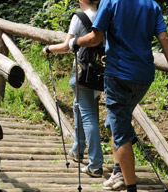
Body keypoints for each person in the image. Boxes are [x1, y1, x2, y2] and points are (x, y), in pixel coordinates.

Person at [69, 0, 168, 191]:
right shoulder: (152, 5)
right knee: (116, 120)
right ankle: (118, 172)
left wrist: (75, 41)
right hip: (144, 77)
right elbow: (164, 39)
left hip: (119, 75)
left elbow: (95, 38)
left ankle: (129, 186)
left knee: (120, 129)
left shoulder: (111, 1)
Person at [43, 0, 104, 178]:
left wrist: (48, 48)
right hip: (101, 71)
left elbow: (65, 46)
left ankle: (95, 164)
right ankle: (78, 149)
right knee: (79, 106)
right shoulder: (105, 15)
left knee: (87, 114)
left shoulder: (80, 17)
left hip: (83, 72)